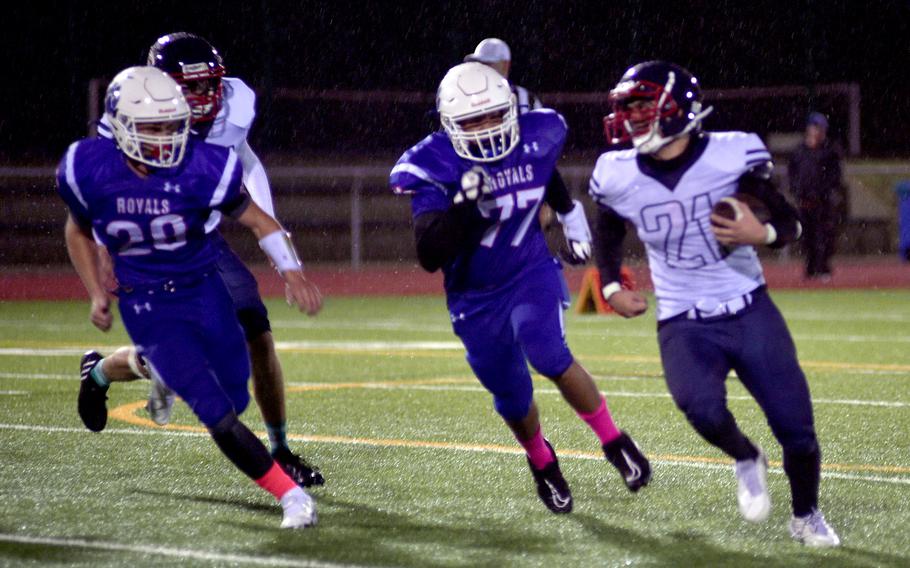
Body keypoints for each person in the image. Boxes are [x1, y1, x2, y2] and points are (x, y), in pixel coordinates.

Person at [589, 60, 839, 547]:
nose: (633, 118)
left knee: (797, 428)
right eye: (628, 109)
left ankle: (805, 514)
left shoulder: (731, 153)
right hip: (683, 321)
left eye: (643, 107)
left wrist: (761, 233)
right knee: (701, 410)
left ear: (678, 109)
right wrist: (610, 286)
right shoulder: (615, 172)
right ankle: (747, 457)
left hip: (747, 307)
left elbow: (790, 222)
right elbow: (608, 227)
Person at [60, 66, 320, 528]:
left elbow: (259, 218)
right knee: (215, 409)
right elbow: (78, 227)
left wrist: (293, 271)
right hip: (145, 296)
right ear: (122, 128)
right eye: (152, 129)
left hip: (202, 276)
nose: (165, 138)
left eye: (171, 127)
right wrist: (96, 288)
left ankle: (104, 370)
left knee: (235, 387)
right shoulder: (90, 165)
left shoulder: (203, 163)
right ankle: (289, 493)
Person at [389, 62, 651, 514]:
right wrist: (467, 210)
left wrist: (569, 223)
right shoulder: (435, 163)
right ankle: (543, 462)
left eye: (494, 115)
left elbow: (543, 173)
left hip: (530, 271)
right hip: (475, 295)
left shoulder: (537, 134)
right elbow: (429, 254)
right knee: (512, 395)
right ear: (451, 125)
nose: (488, 127)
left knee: (549, 355)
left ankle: (613, 440)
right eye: (474, 121)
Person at [788, 111, 845, 280]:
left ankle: (823, 268)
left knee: (824, 236)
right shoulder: (799, 151)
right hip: (804, 202)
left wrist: (824, 192)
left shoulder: (829, 151)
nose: (819, 132)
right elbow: (793, 174)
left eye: (822, 129)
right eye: (817, 128)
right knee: (807, 237)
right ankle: (811, 268)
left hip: (823, 201)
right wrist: (798, 192)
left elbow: (835, 175)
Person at [464, 38, 543, 114]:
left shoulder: (526, 99)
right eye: (480, 64)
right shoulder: (465, 97)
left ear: (505, 65)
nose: (483, 68)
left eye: (488, 64)